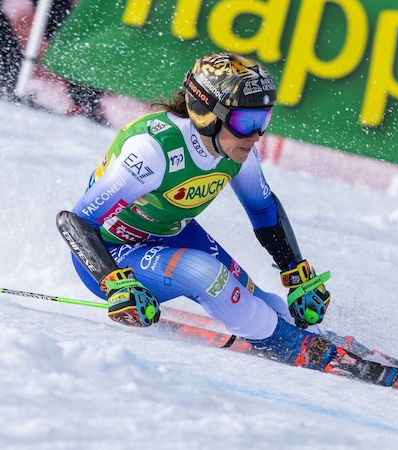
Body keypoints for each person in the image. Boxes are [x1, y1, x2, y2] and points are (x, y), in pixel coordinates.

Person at [57, 53, 337, 371]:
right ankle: (286, 344)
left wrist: (296, 274)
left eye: (263, 120)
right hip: (112, 254)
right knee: (205, 274)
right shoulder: (153, 151)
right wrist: (115, 282)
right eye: (246, 122)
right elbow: (76, 221)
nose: (256, 135)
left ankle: (309, 336)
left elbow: (263, 210)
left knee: (262, 301)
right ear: (207, 114)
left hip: (171, 234)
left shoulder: (239, 151)